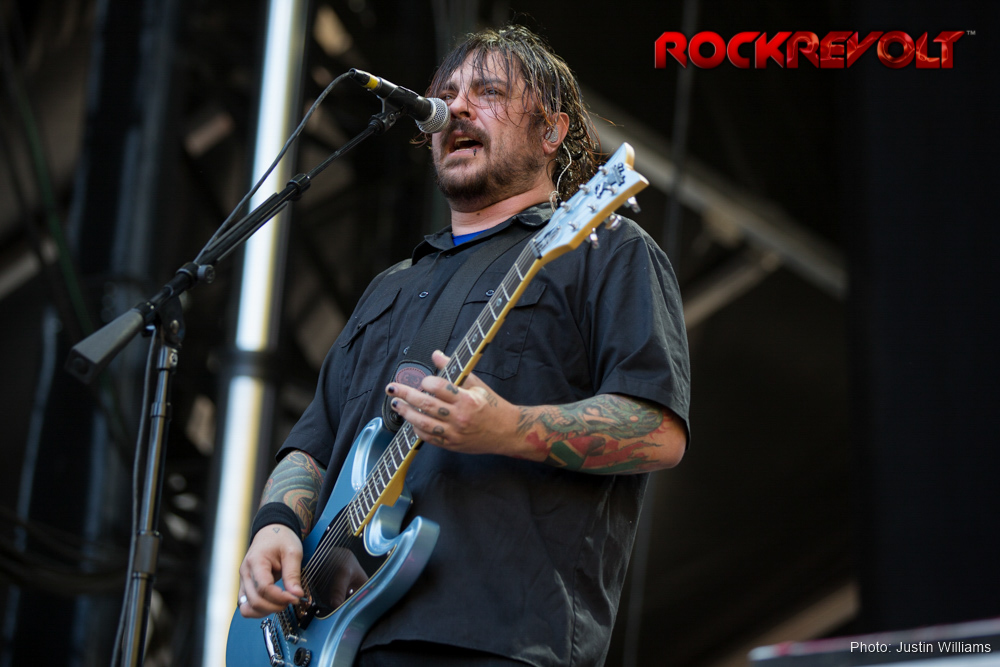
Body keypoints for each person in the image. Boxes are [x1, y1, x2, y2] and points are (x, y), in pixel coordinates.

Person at [237, 25, 690, 666]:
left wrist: (509, 428)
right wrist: (275, 526)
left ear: (552, 131)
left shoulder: (605, 250)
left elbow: (658, 431)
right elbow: (313, 444)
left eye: (489, 92)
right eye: (446, 94)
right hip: (332, 640)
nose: (456, 108)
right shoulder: (391, 286)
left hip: (493, 639)